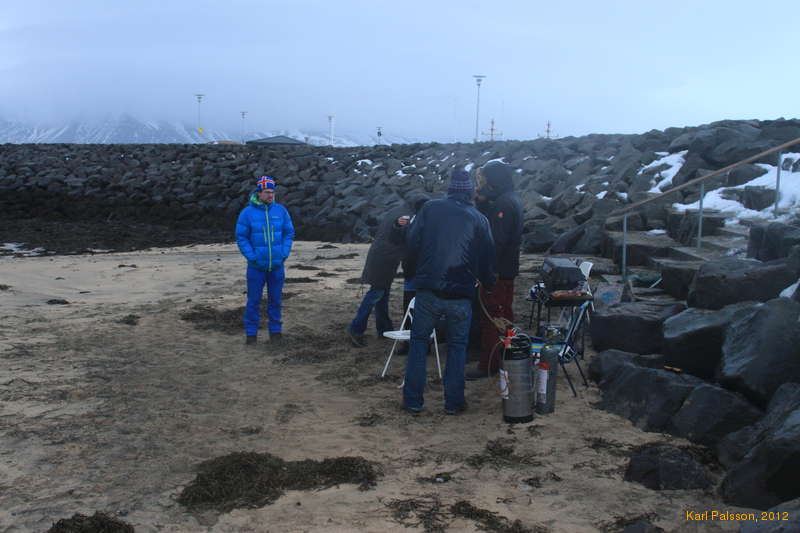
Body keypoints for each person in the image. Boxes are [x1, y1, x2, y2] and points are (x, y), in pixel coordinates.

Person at [402, 169, 495, 415]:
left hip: (428, 289)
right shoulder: (479, 219)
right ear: (470, 191)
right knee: (457, 347)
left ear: (450, 188)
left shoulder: (430, 208)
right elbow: (488, 257)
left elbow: (412, 241)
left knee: (418, 343)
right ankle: (453, 403)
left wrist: (412, 274)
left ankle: (412, 401)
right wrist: (488, 283)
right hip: (461, 294)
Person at [466, 161, 524, 379]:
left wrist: (486, 270)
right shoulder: (511, 198)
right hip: (507, 269)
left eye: (487, 178)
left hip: (498, 272)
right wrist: (483, 203)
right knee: (503, 314)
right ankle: (502, 358)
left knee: (492, 317)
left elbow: (496, 242)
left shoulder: (503, 204)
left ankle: (488, 365)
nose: (483, 183)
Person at [346, 193, 427, 347]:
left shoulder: (398, 210)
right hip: (385, 260)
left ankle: (384, 328)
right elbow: (403, 237)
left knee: (382, 294)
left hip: (379, 256)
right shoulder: (409, 216)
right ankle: (355, 329)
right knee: (375, 294)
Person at [235, 176, 295, 345]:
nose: (271, 195)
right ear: (259, 193)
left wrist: (283, 253)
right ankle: (251, 334)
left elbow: (289, 233)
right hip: (256, 267)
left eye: (272, 192)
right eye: (267, 192)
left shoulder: (281, 211)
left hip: (277, 265)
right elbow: (241, 237)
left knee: (275, 300)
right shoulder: (247, 213)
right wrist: (252, 257)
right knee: (253, 301)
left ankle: (275, 332)